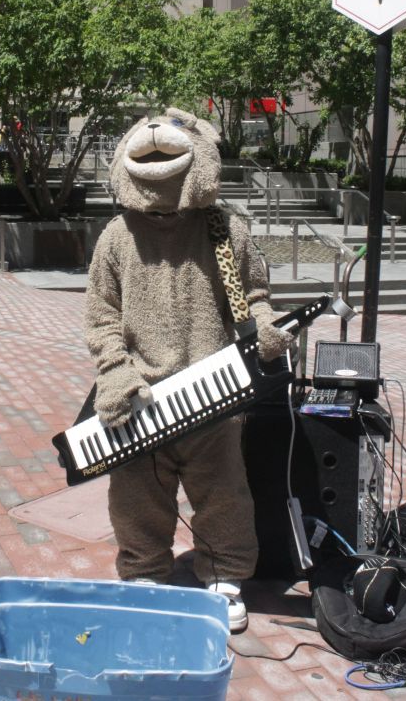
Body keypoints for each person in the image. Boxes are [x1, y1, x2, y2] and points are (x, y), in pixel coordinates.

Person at [85, 109, 294, 633]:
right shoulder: (116, 236)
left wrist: (265, 326)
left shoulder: (226, 230)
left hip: (215, 393)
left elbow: (254, 297)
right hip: (139, 396)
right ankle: (144, 572)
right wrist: (115, 369)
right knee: (136, 497)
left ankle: (224, 575)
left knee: (223, 494)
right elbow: (102, 314)